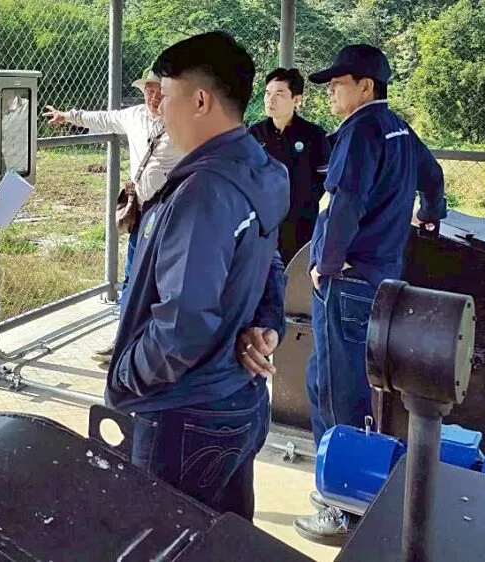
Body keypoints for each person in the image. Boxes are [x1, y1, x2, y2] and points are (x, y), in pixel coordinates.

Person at [104, 31, 289, 521]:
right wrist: (267, 326)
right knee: (225, 535)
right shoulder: (259, 169)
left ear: (201, 100)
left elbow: (182, 326)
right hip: (238, 399)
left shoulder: (204, 191)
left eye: (166, 96)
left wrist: (126, 377)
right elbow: (268, 263)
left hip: (185, 414)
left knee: (165, 538)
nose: (159, 111)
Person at [290, 44, 448, 545]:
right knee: (344, 385)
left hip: (348, 282)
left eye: (339, 83)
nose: (331, 92)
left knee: (337, 392)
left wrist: (325, 264)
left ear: (366, 86)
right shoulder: (397, 128)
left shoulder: (360, 131)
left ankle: (342, 508)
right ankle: (353, 493)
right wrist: (431, 213)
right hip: (380, 278)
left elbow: (345, 202)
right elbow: (433, 175)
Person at [43, 69, 183, 363]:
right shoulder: (134, 115)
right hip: (143, 210)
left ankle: (158, 345)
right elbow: (103, 118)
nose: (154, 96)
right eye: (149, 90)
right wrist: (68, 116)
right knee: (133, 275)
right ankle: (124, 340)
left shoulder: (184, 121)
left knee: (168, 278)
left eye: (159, 90)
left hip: (173, 211)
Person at [248, 68, 331, 264]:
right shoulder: (254, 134)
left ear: (296, 99)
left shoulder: (314, 135)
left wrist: (304, 198)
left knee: (294, 275)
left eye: (279, 94)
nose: (270, 100)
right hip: (263, 224)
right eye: (268, 93)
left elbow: (325, 178)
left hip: (301, 224)